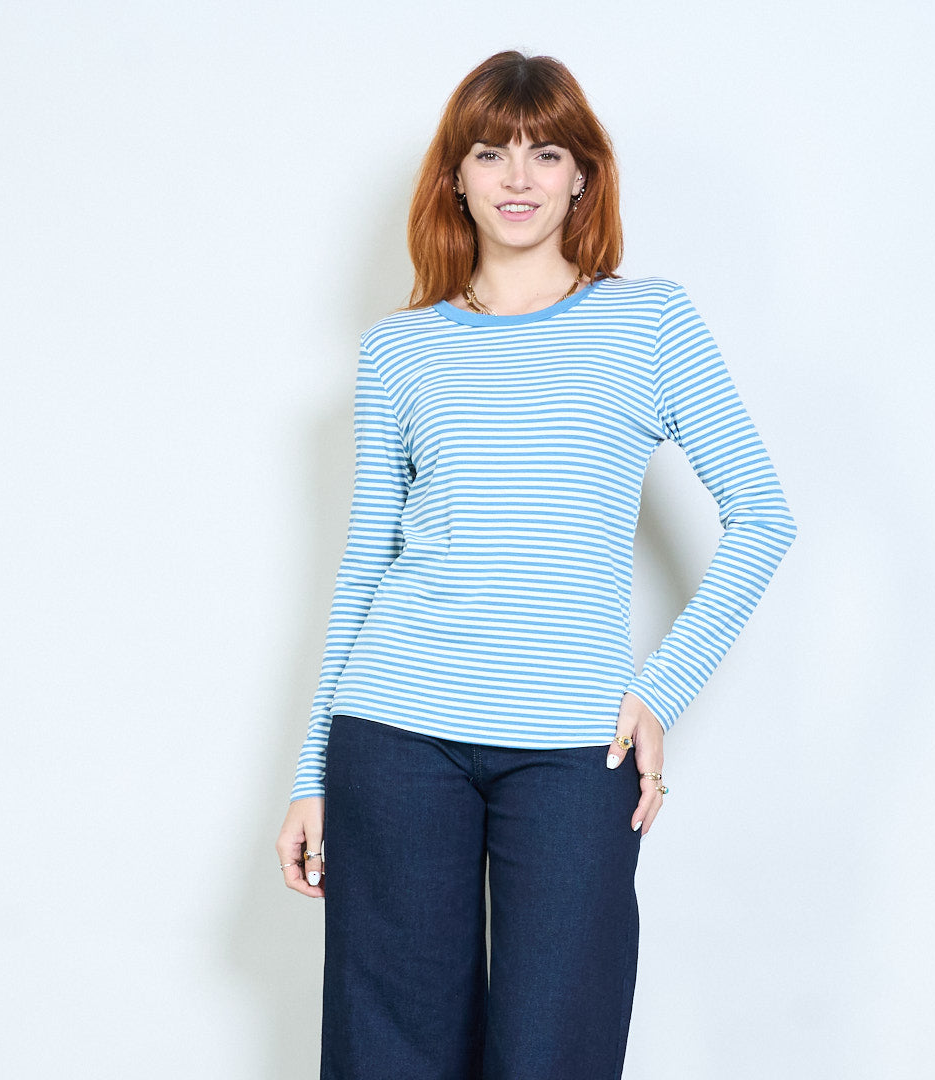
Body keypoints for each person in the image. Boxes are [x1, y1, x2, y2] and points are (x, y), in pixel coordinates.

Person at [276, 49, 797, 1080]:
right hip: (396, 732)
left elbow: (762, 516)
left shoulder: (649, 323)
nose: (518, 177)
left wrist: (660, 690)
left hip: (573, 749)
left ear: (582, 176)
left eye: (545, 152)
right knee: (389, 1057)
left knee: (557, 1051)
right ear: (455, 178)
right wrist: (312, 771)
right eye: (490, 152)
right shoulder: (399, 350)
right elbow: (366, 563)